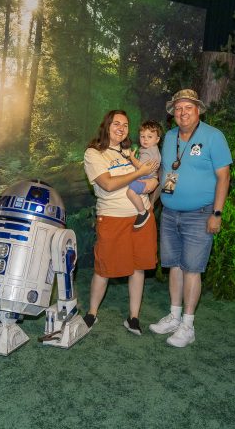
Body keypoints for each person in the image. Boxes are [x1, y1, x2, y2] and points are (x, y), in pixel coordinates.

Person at [149, 89, 231, 348]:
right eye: (178, 109)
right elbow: (165, 173)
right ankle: (174, 316)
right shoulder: (170, 136)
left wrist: (216, 213)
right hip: (170, 213)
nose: (182, 112)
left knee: (192, 269)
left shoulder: (213, 136)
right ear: (173, 114)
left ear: (198, 111)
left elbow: (224, 176)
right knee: (174, 265)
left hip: (200, 214)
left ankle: (188, 324)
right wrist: (152, 204)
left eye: (188, 107)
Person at [83, 110, 159, 335]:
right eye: (116, 123)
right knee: (104, 267)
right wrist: (140, 174)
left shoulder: (131, 152)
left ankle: (133, 317)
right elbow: (107, 184)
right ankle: (92, 313)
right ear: (106, 126)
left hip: (142, 216)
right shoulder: (94, 153)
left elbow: (152, 175)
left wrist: (150, 183)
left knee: (138, 267)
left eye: (125, 125)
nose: (121, 128)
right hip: (112, 217)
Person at [126, 120, 162, 228]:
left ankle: (142, 212)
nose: (145, 139)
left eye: (149, 137)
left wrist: (132, 158)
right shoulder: (150, 149)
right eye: (142, 136)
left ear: (157, 140)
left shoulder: (149, 151)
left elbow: (143, 168)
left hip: (146, 177)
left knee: (130, 192)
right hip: (147, 176)